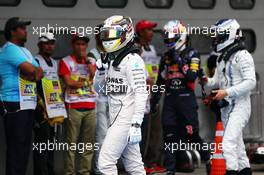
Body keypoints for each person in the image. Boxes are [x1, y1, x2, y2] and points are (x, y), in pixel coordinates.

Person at [151, 20, 211, 175]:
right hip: (170, 100)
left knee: (192, 135)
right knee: (169, 137)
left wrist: (178, 60)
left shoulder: (193, 54)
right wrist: (155, 100)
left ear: (180, 37)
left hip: (186, 100)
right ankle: (170, 170)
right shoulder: (165, 57)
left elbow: (191, 77)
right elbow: (160, 80)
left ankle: (209, 158)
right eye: (167, 40)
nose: (169, 42)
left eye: (171, 39)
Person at [96, 15, 148, 175]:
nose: (108, 38)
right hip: (115, 117)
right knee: (134, 166)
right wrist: (100, 72)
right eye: (106, 34)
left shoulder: (133, 60)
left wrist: (136, 124)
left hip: (126, 120)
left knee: (105, 163)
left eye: (112, 34)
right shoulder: (110, 59)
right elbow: (98, 89)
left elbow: (141, 92)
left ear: (126, 33)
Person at [203, 19, 256, 175]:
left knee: (228, 143)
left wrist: (226, 92)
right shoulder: (221, 58)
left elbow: (251, 82)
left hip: (241, 106)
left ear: (230, 35)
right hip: (226, 108)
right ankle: (244, 171)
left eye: (219, 36)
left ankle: (231, 172)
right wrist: (205, 80)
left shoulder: (243, 55)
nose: (216, 39)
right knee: (238, 148)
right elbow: (215, 81)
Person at [0, 17, 43, 175]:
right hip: (13, 104)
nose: (26, 31)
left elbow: (40, 73)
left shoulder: (25, 51)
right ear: (12, 31)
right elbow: (32, 71)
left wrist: (33, 72)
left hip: (26, 103)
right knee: (16, 148)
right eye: (22, 28)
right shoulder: (9, 49)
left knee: (24, 148)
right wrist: (32, 72)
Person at [59, 34, 96, 175]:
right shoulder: (65, 61)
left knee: (88, 145)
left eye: (83, 44)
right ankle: (69, 173)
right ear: (73, 45)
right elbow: (69, 83)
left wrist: (87, 62)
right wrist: (87, 82)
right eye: (78, 44)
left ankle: (84, 172)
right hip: (73, 106)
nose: (81, 47)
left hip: (91, 106)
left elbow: (96, 77)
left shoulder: (91, 60)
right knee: (71, 145)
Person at [34, 32, 67, 175]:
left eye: (52, 43)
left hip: (54, 109)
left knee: (51, 144)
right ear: (40, 45)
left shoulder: (54, 62)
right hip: (41, 110)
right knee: (41, 145)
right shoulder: (35, 60)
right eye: (46, 43)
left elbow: (57, 85)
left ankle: (49, 170)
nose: (49, 46)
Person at [135, 19, 166, 174]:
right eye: (148, 30)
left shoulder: (152, 49)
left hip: (153, 95)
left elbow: (155, 71)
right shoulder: (135, 49)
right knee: (141, 132)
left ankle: (151, 162)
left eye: (152, 30)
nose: (152, 33)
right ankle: (139, 163)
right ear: (140, 32)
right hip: (140, 96)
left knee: (155, 130)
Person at [89, 24, 110, 175]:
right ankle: (99, 170)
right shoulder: (93, 54)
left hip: (113, 100)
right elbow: (94, 77)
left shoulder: (112, 52)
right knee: (101, 137)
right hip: (99, 101)